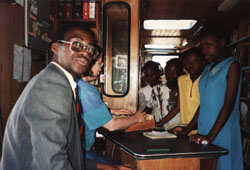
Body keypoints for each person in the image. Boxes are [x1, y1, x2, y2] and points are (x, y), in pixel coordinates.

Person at [0, 23, 99, 169]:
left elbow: (64, 150)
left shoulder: (56, 80)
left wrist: (97, 166)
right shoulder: (51, 85)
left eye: (90, 49)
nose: (86, 53)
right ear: (55, 48)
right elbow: (51, 164)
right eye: (77, 45)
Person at [176, 23, 244, 170]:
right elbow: (204, 104)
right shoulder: (207, 69)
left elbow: (229, 103)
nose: (204, 50)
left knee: (224, 165)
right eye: (202, 46)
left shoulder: (232, 66)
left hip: (223, 129)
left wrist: (211, 136)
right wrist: (187, 130)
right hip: (205, 129)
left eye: (208, 45)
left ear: (222, 43)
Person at [77, 54, 146, 170]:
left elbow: (83, 110)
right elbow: (112, 126)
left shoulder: (78, 84)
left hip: (82, 150)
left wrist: (109, 111)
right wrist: (136, 118)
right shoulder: (87, 91)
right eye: (99, 64)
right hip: (81, 154)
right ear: (89, 64)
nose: (100, 68)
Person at [156, 48, 204, 135]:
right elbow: (178, 107)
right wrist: (159, 124)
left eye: (195, 62)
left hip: (202, 129)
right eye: (188, 63)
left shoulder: (206, 80)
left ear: (202, 62)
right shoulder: (181, 80)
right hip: (184, 128)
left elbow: (203, 108)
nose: (191, 66)